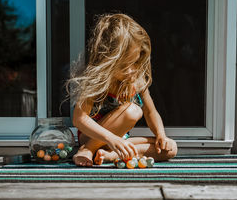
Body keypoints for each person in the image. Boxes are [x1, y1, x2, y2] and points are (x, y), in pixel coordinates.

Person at [66, 13, 177, 167]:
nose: (132, 70)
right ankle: (87, 150)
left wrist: (161, 135)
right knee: (133, 111)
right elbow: (79, 119)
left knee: (170, 148)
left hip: (118, 142)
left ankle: (110, 156)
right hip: (93, 138)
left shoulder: (136, 81)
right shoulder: (98, 83)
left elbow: (151, 112)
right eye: (125, 66)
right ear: (108, 61)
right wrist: (111, 138)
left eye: (136, 62)